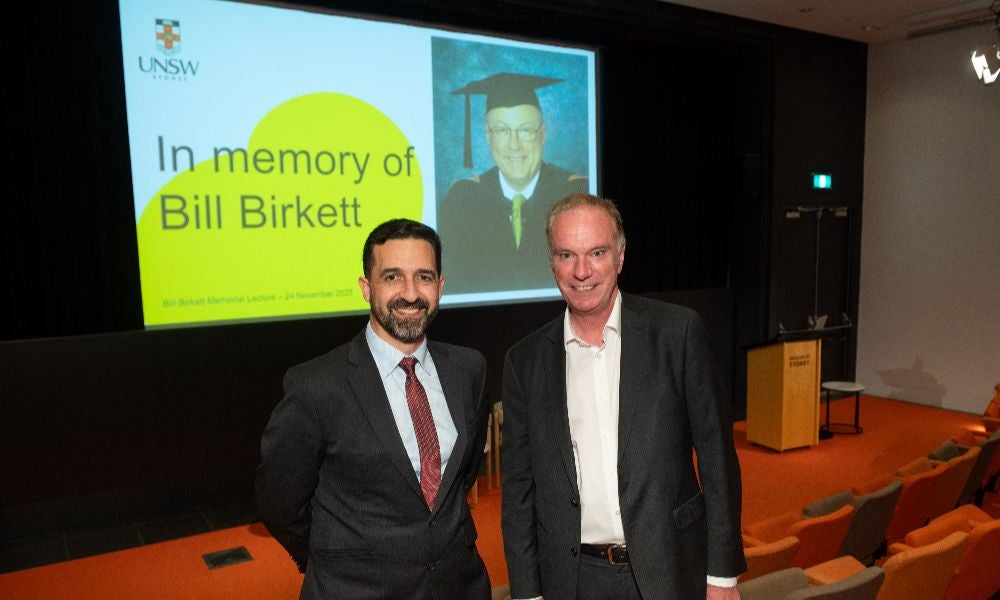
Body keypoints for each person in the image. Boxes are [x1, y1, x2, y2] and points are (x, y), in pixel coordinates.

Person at [501, 194, 746, 600]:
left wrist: (722, 576)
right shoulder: (524, 362)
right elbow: (518, 493)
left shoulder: (678, 335)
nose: (581, 271)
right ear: (551, 262)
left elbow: (718, 460)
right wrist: (527, 593)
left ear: (620, 256)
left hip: (671, 569)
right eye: (566, 255)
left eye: (596, 253)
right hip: (573, 580)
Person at [256, 218, 492, 600]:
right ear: (367, 288)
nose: (411, 293)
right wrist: (329, 560)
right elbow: (279, 502)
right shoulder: (316, 387)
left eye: (424, 277)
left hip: (459, 585)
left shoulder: (468, 370)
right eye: (393, 277)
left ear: (440, 286)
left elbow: (460, 477)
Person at [438, 72, 589, 294]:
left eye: (525, 130)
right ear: (488, 137)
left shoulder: (578, 194)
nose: (514, 145)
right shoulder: (462, 201)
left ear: (543, 134)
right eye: (502, 131)